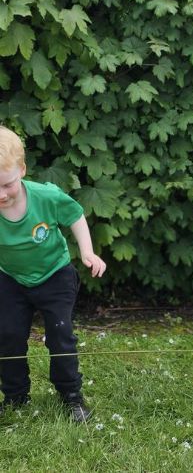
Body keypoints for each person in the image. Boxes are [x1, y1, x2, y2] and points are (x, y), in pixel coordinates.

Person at [0, 126, 106, 421]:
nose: (2, 195)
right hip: (10, 278)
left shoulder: (45, 196)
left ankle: (71, 396)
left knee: (59, 334)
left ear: (21, 170)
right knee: (7, 334)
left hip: (54, 275)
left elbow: (74, 215)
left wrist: (87, 251)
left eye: (6, 184)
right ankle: (15, 396)